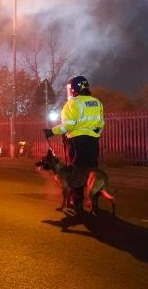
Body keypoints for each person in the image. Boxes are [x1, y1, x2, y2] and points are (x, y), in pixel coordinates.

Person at [43, 75, 104, 207]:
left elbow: (68, 126)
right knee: (92, 170)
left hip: (77, 142)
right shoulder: (97, 102)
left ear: (74, 89)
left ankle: (76, 200)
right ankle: (94, 201)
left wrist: (51, 131)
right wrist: (94, 135)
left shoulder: (72, 104)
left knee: (76, 170)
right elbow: (101, 124)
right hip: (93, 142)